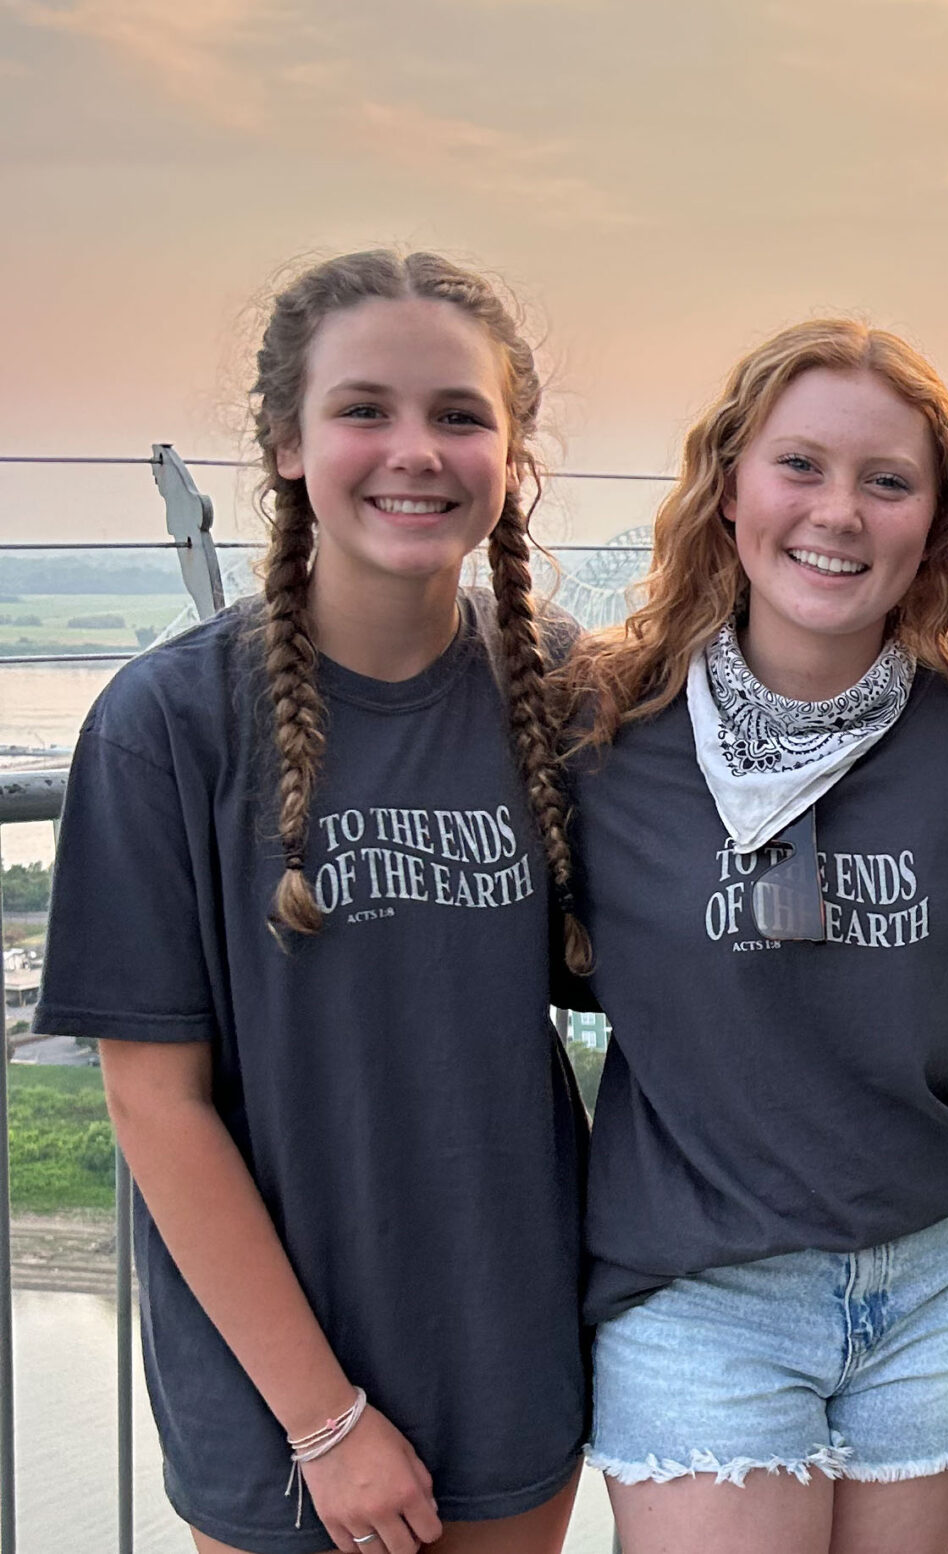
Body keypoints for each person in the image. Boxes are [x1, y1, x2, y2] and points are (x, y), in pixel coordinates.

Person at [36, 250, 588, 1554]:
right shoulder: (166, 724)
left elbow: (688, 961)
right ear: (287, 443)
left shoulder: (565, 692)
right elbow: (152, 1103)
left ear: (512, 455)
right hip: (275, 1396)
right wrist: (325, 1423)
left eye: (459, 414)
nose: (416, 451)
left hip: (514, 1347)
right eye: (364, 410)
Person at [559, 318, 948, 1554]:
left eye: (887, 481)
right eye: (800, 467)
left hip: (940, 1276)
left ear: (935, 519)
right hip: (702, 1290)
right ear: (729, 488)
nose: (838, 513)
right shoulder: (602, 730)